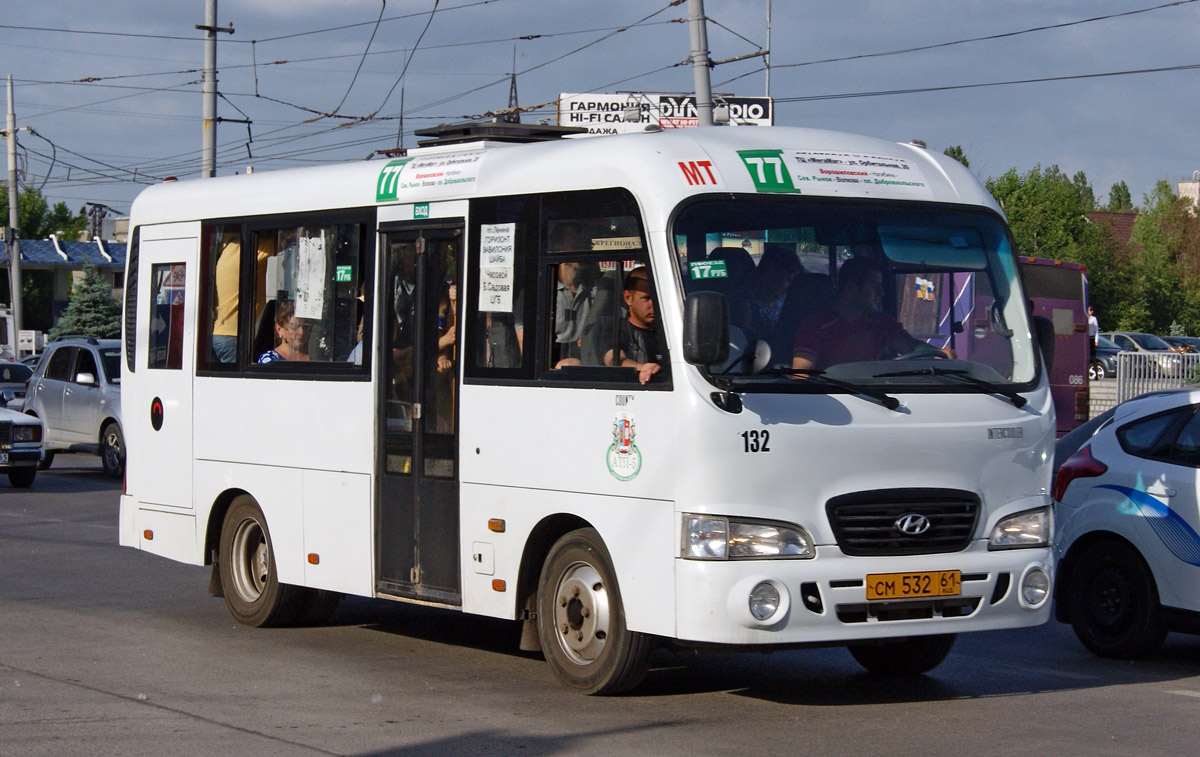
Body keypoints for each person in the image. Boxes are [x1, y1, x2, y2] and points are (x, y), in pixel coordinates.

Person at [792, 256, 953, 372]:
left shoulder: (880, 322)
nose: (881, 293)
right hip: (830, 401)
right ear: (851, 289)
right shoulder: (816, 325)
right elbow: (801, 373)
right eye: (875, 286)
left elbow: (911, 347)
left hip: (874, 395)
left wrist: (939, 353)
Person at [604, 266, 665, 385]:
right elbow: (614, 359)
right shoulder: (615, 329)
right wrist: (643, 368)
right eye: (647, 298)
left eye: (657, 298)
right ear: (628, 298)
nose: (654, 304)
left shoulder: (673, 331)